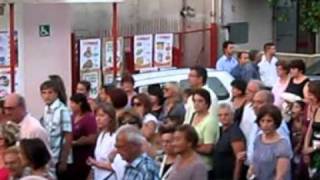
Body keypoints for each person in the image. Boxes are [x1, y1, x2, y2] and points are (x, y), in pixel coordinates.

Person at [248, 105, 292, 180]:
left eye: (269, 121)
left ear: (276, 122)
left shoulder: (282, 144)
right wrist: (251, 171)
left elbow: (280, 176)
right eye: (262, 121)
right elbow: (254, 162)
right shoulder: (258, 138)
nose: (265, 125)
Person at [40, 80, 73, 179]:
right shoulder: (46, 109)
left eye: (50, 92)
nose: (47, 96)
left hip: (61, 158)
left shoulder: (62, 110)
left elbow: (68, 136)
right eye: (44, 93)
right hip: (50, 157)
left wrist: (63, 161)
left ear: (56, 94)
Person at [87, 103, 126, 180]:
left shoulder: (115, 137)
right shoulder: (101, 135)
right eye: (97, 116)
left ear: (110, 118)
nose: (98, 119)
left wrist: (96, 163)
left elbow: (118, 166)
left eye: (102, 116)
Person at [189, 89, 219, 175]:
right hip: (191, 164)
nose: (196, 104)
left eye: (200, 101)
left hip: (204, 167)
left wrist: (189, 146)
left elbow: (208, 148)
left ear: (207, 103)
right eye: (194, 101)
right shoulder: (193, 115)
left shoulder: (210, 121)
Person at [214, 103, 246, 180]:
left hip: (230, 175)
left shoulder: (235, 133)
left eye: (226, 115)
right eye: (220, 115)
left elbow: (240, 159)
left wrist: (236, 177)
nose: (223, 117)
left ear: (232, 115)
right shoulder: (220, 130)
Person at [69, 93, 97, 180]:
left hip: (83, 154)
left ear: (80, 104)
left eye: (73, 103)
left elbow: (92, 138)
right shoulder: (72, 116)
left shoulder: (89, 118)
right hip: (72, 154)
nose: (71, 105)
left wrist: (76, 142)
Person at [287, 100, 309, 180]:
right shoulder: (289, 122)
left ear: (303, 111)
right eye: (293, 107)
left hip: (301, 155)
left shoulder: (305, 126)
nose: (293, 109)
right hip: (290, 153)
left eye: (296, 107)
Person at [303, 80, 320, 179]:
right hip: (313, 152)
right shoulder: (316, 109)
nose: (308, 97)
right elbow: (310, 130)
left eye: (311, 94)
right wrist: (306, 148)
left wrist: (313, 149)